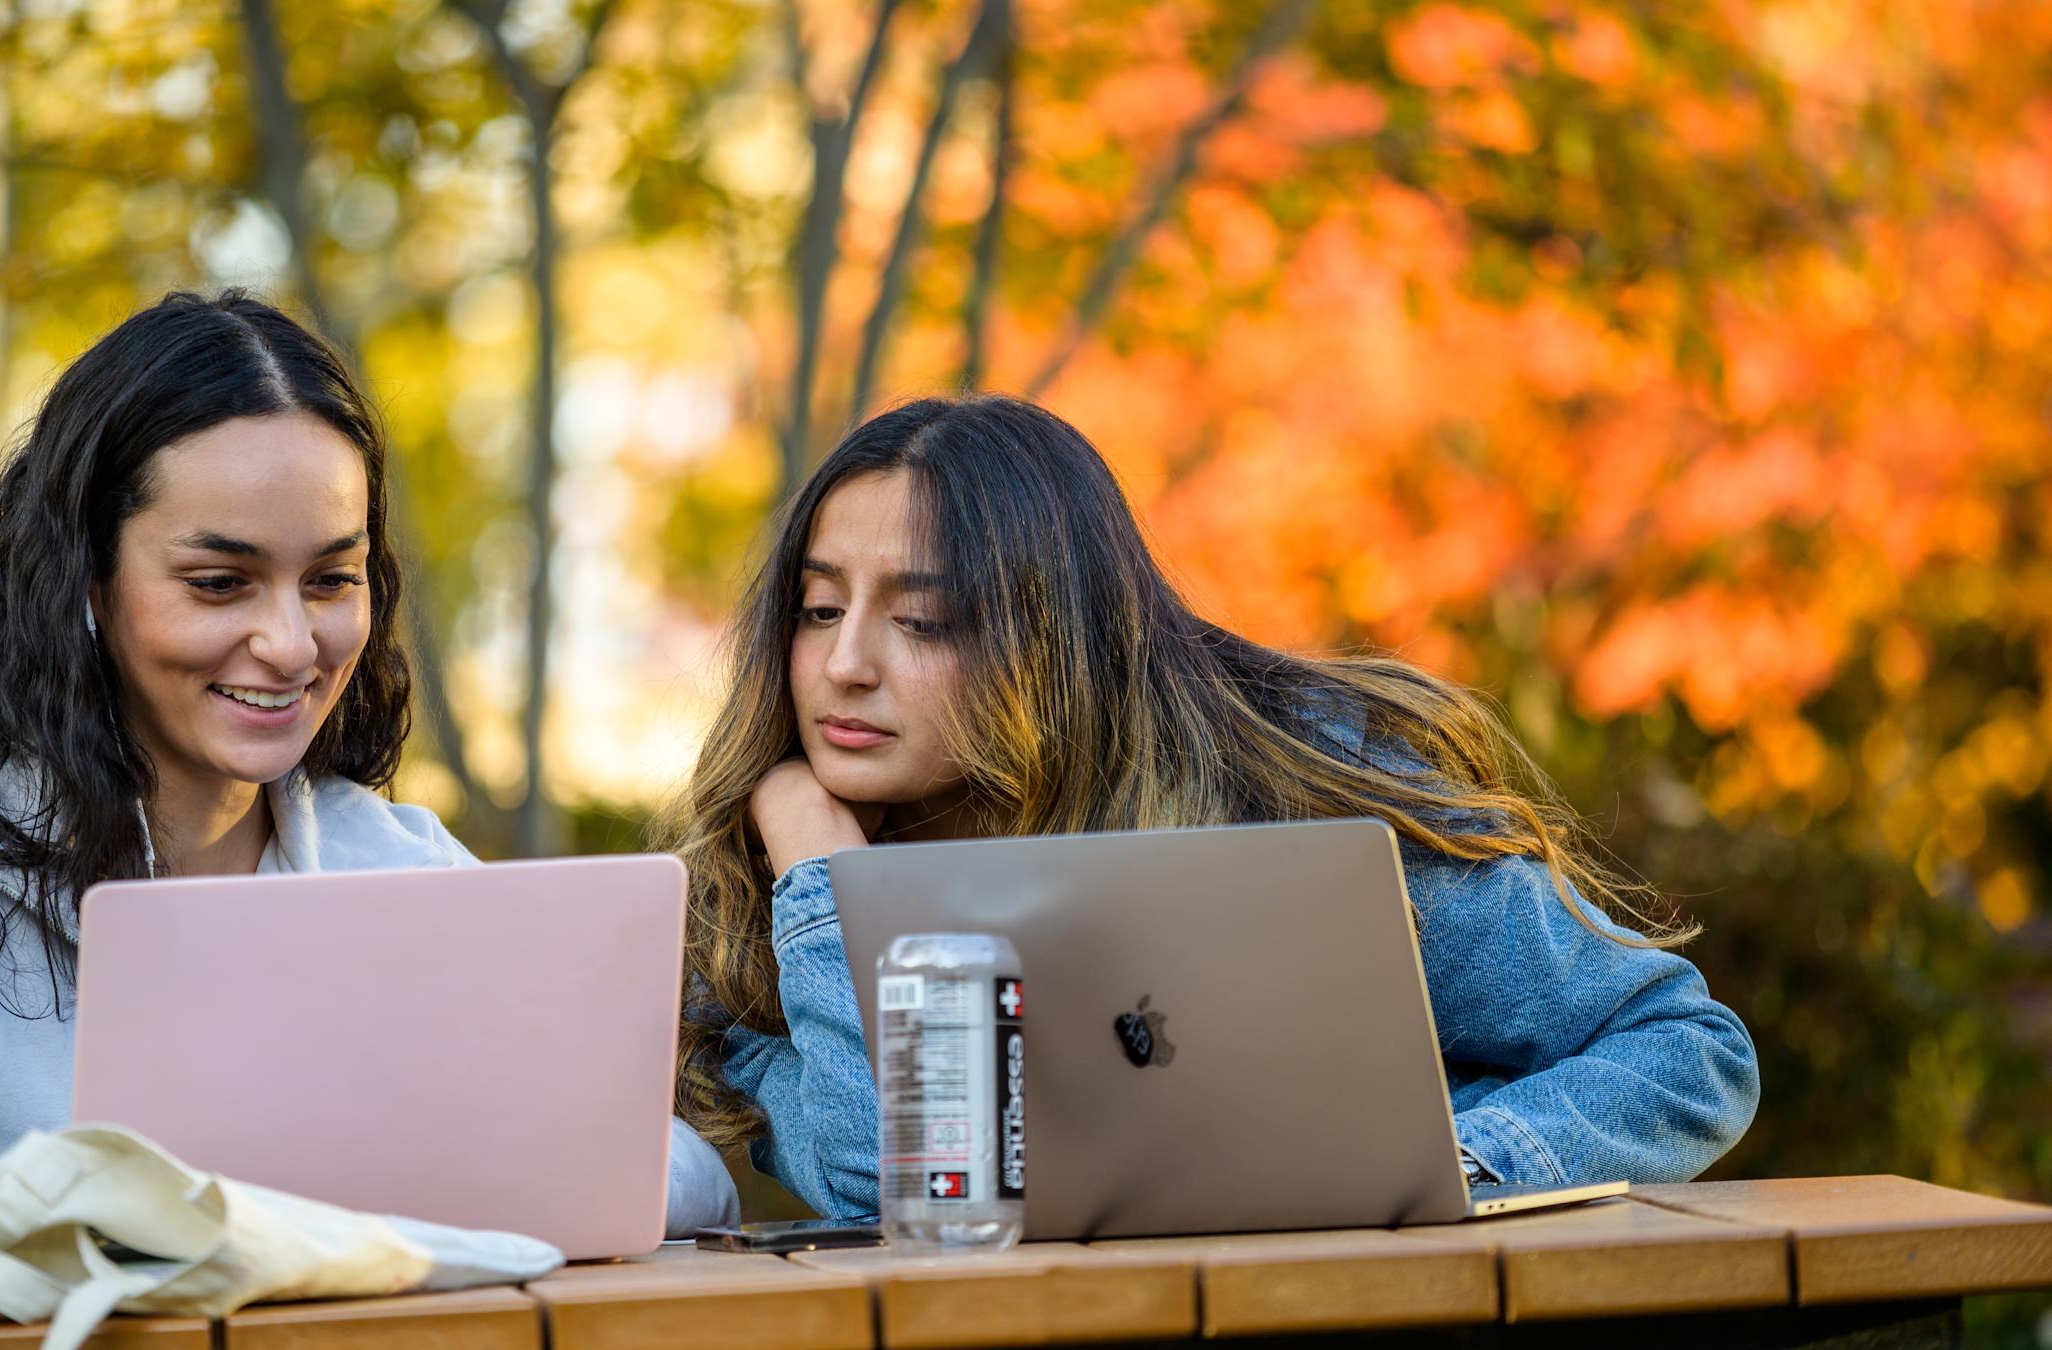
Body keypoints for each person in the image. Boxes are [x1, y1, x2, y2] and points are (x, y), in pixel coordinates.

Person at [0, 291, 738, 1235]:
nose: (292, 644)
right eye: (219, 583)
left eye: (331, 578)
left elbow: (685, 1179)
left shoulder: (401, 872)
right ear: (82, 579)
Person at [664, 395, 1759, 1220]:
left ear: (1053, 643)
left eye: (926, 621)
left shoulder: (1294, 792)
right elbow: (890, 1185)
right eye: (818, 608)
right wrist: (821, 881)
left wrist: (1445, 1170)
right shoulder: (763, 911)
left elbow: (1684, 1049)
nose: (844, 664)